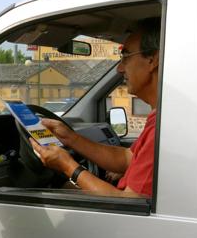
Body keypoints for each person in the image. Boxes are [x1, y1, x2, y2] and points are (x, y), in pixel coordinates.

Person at [30, 18, 160, 198]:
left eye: (126, 57)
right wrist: (71, 138)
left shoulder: (162, 130)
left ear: (153, 60)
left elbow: (128, 203)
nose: (120, 69)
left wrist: (67, 165)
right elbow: (126, 159)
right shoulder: (158, 118)